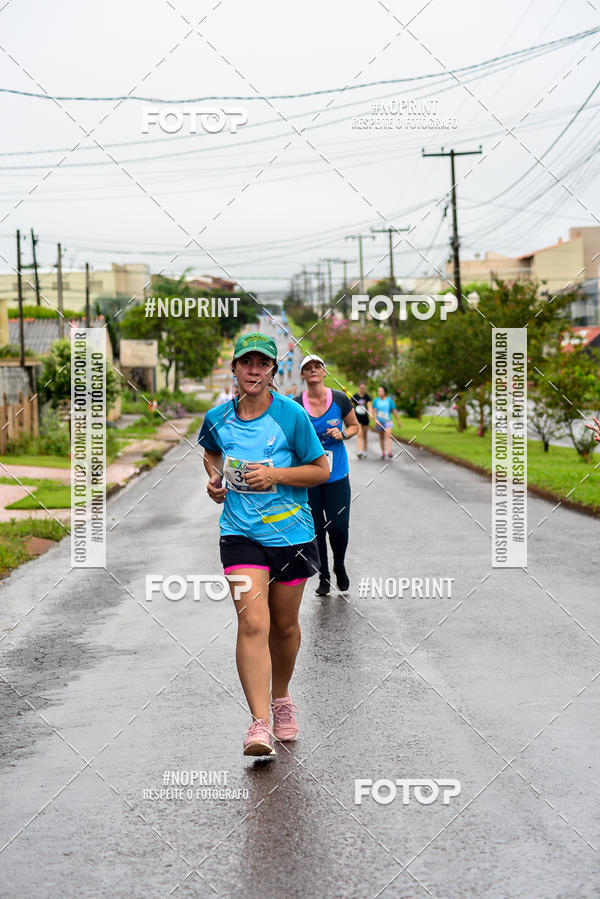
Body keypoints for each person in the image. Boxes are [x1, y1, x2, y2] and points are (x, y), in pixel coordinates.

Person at [198, 333, 329, 757]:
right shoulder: (217, 417)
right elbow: (211, 453)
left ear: (272, 371)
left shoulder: (291, 416)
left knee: (284, 625)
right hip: (239, 536)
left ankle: (282, 698)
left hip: (291, 535)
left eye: (263, 364)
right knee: (253, 623)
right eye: (246, 363)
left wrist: (275, 476)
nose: (254, 370)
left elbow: (320, 470)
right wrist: (216, 481)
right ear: (234, 368)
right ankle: (258, 723)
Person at [295, 355, 359, 596]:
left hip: (336, 475)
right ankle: (323, 576)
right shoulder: (297, 404)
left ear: (324, 372)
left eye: (317, 367)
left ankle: (339, 564)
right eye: (307, 368)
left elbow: (354, 426)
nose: (312, 371)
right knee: (316, 528)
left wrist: (343, 434)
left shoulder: (340, 399)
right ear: (302, 375)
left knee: (339, 526)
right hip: (309, 476)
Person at [372, 386, 400, 459]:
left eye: (381, 391)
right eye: (378, 391)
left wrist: (398, 421)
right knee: (381, 438)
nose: (379, 392)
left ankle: (389, 451)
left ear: (385, 392)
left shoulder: (389, 400)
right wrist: (375, 420)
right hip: (379, 422)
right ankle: (383, 452)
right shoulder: (376, 401)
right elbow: (374, 411)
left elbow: (394, 411)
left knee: (388, 436)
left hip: (388, 421)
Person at [351, 383, 373, 458]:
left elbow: (370, 406)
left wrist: (370, 414)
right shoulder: (355, 396)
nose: (362, 389)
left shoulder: (367, 397)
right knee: (359, 434)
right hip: (357, 418)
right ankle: (359, 451)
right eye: (361, 388)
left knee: (365, 435)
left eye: (364, 388)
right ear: (358, 388)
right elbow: (351, 406)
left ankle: (365, 451)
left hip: (365, 418)